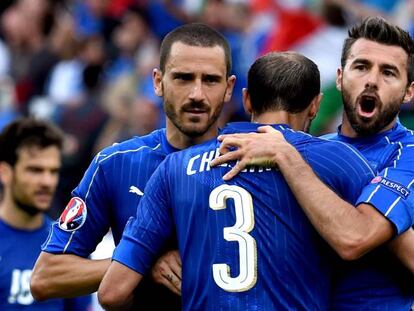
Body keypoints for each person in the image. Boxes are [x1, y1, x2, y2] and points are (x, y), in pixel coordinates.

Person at [98, 51, 375, 310]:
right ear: (315, 105)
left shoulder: (175, 166)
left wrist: (152, 261)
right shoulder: (341, 161)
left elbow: (112, 293)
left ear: (247, 100)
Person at [210, 16, 414, 309]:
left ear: (409, 91)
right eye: (361, 67)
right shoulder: (318, 149)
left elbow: (354, 238)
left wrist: (284, 155)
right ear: (341, 77)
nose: (372, 80)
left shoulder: (407, 154)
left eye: (389, 73)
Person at [30, 23, 236, 310]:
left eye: (210, 80)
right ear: (157, 82)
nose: (197, 94)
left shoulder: (252, 162)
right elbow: (45, 277)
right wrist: (137, 263)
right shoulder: (115, 164)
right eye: (183, 78)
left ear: (229, 89)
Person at [0, 118, 91, 310]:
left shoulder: (68, 245)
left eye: (53, 171)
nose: (47, 182)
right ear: (5, 172)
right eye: (35, 170)